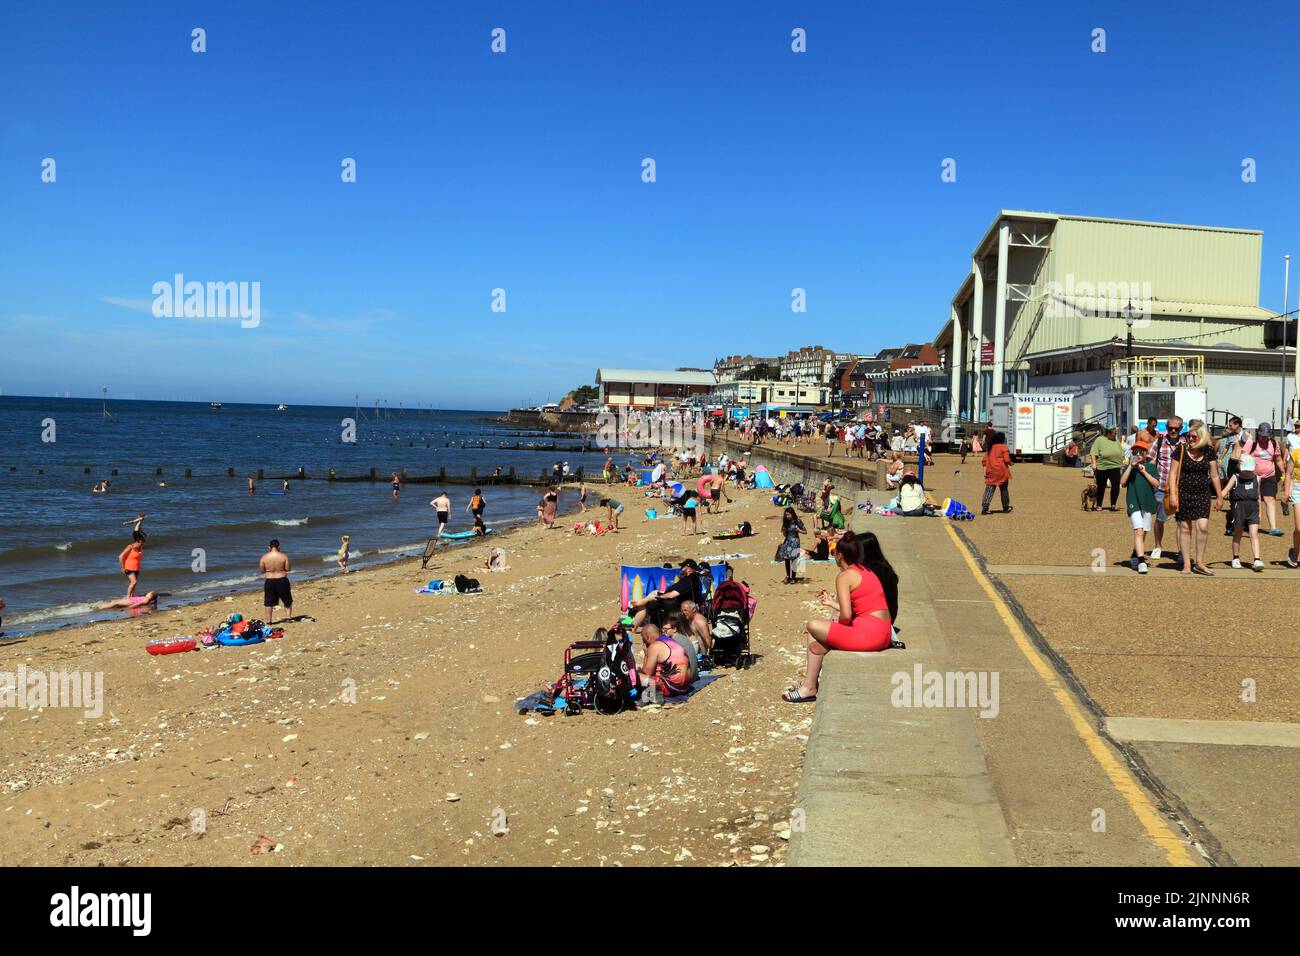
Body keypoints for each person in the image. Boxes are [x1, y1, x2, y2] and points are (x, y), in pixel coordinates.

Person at [783, 531, 892, 703]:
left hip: (869, 636)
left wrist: (837, 623)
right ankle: (808, 684)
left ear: (839, 556)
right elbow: (859, 609)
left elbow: (846, 615)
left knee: (812, 625)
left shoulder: (844, 576)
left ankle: (809, 687)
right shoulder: (867, 572)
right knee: (817, 636)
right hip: (884, 633)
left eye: (834, 554)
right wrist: (835, 613)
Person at [1168, 425, 1223, 575]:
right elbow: (1172, 474)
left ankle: (1199, 562)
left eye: (1194, 437)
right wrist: (1173, 495)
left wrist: (1219, 495)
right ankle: (1186, 563)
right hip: (1183, 494)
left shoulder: (1209, 452)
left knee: (1203, 527)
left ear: (1202, 437)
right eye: (1188, 436)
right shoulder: (1179, 451)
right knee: (1185, 529)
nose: (1190, 439)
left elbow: (1214, 475)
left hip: (1202, 494)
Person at [1146, 416, 1185, 562]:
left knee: (1182, 521)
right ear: (1166, 428)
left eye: (1176, 428)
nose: (1173, 430)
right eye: (1170, 428)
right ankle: (1157, 546)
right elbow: (1150, 460)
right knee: (1160, 519)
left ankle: (1181, 550)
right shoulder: (1160, 441)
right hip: (1162, 486)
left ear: (1181, 428)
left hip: (1180, 488)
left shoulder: (1185, 443)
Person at [1220, 454, 1263, 571]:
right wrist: (1219, 500)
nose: (1248, 472)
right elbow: (1224, 491)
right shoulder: (1236, 477)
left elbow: (1258, 495)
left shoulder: (1257, 478)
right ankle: (1235, 557)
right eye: (1246, 469)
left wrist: (1260, 511)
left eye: (1250, 469)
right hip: (1239, 508)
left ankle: (1257, 559)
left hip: (1253, 508)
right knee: (1237, 534)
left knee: (1254, 534)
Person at [1121, 442, 1159, 574]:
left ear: (1146, 454)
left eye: (1140, 452)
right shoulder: (1129, 468)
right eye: (1135, 452)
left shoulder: (1151, 467)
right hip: (1133, 502)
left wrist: (1144, 472)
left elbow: (1156, 484)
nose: (1138, 455)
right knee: (1138, 531)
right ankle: (1142, 561)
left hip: (1147, 502)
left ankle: (1135, 554)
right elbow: (1123, 482)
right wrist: (1131, 467)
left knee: (1144, 532)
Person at [1241, 422, 1284, 536]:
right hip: (1253, 476)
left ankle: (1273, 528)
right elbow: (1243, 457)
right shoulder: (1252, 443)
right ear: (1258, 433)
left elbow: (1278, 459)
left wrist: (1284, 472)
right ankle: (1253, 524)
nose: (1264, 438)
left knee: (1270, 500)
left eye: (1266, 436)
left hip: (1269, 475)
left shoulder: (1274, 443)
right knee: (1256, 500)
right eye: (1262, 435)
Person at [636, 622, 691, 700]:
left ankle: (654, 694)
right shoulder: (670, 641)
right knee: (637, 667)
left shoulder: (655, 646)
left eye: (643, 638)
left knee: (635, 676)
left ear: (647, 637)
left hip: (670, 689)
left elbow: (647, 672)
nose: (643, 641)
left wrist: (646, 654)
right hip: (685, 687)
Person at [1216, 417, 1244, 536]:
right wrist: (1220, 459)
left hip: (1242, 463)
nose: (1229, 427)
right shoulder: (1231, 436)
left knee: (1242, 489)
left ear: (1237, 424)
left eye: (1231, 425)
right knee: (1232, 489)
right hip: (1232, 463)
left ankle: (1242, 520)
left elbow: (1250, 446)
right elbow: (1227, 447)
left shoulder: (1246, 434)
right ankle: (1233, 510)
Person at [1089, 425, 1126, 511]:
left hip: (1115, 466)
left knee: (1116, 485)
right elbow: (1093, 453)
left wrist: (1122, 461)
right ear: (1109, 432)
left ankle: (1113, 504)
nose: (1116, 433)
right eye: (1114, 432)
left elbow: (1120, 452)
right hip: (1102, 467)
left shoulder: (1116, 441)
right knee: (1101, 486)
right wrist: (1094, 464)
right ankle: (1099, 505)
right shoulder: (1099, 440)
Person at [259, 539, 293, 622]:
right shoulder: (284, 556)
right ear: (279, 547)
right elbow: (288, 569)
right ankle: (288, 617)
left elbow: (262, 571)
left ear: (269, 547)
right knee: (287, 600)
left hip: (270, 581)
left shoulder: (264, 557)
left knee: (268, 602)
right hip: (282, 580)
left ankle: (269, 621)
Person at [981, 432, 1013, 515]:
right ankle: (1006, 507)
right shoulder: (1004, 447)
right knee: (1004, 489)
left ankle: (985, 508)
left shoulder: (990, 448)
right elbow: (1006, 459)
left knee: (989, 490)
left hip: (991, 471)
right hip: (1001, 472)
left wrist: (985, 471)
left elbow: (984, 461)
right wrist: (1010, 463)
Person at [775, 507, 807, 584]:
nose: (787, 516)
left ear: (792, 513)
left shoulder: (797, 521)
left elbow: (805, 531)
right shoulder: (786, 522)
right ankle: (788, 576)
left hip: (795, 541)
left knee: (794, 560)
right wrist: (784, 531)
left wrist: (799, 530)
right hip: (787, 541)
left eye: (788, 515)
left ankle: (793, 577)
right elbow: (784, 533)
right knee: (786, 559)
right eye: (786, 515)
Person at [1285, 435, 1300, 567]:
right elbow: (1288, 474)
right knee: (1299, 528)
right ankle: (1295, 551)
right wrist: (1286, 492)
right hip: (1298, 489)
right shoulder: (1295, 453)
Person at [119, 533, 144, 598]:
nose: (142, 544)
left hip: (136, 568)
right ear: (137, 541)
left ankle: (132, 596)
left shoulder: (140, 547)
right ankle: (128, 597)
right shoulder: (130, 547)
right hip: (128, 568)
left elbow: (137, 558)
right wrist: (123, 567)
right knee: (134, 582)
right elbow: (121, 556)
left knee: (134, 584)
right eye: (141, 543)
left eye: (142, 543)